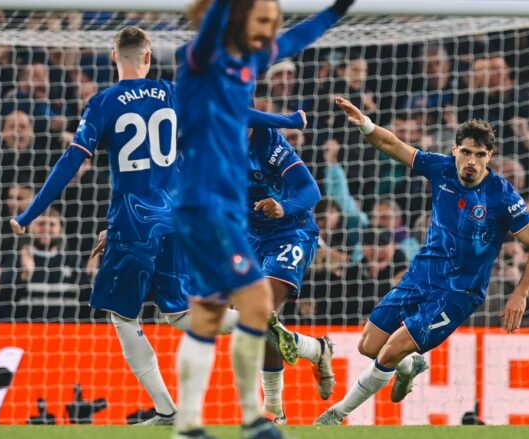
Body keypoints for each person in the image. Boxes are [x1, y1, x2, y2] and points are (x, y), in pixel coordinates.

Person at [172, 1, 353, 438]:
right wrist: (287, 118)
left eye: (273, 22)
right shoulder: (197, 59)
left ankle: (233, 420)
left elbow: (297, 39)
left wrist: (338, 9)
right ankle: (235, 419)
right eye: (263, 20)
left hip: (233, 218)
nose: (271, 30)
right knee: (235, 311)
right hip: (204, 209)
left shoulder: (251, 63)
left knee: (235, 312)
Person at [315, 97, 529, 425]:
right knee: (368, 346)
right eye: (466, 152)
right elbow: (392, 143)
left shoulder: (502, 196)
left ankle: (335, 415)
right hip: (422, 273)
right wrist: (365, 124)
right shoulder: (440, 168)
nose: (471, 161)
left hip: (459, 293)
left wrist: (521, 292)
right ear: (455, 150)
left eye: (480, 155)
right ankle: (409, 367)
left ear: (489, 157)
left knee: (389, 351)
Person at [9, 27, 189, 426]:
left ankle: (166, 410)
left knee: (122, 317)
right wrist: (286, 119)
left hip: (133, 222)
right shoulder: (173, 92)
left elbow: (70, 164)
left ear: (113, 57)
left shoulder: (104, 102)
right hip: (175, 220)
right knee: (179, 314)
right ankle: (257, 322)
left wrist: (29, 214)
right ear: (147, 57)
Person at [247, 122, 335, 424]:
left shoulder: (269, 143)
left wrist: (284, 207)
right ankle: (316, 349)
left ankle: (274, 411)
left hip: (290, 233)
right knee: (256, 325)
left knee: (259, 314)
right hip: (248, 239)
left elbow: (311, 189)